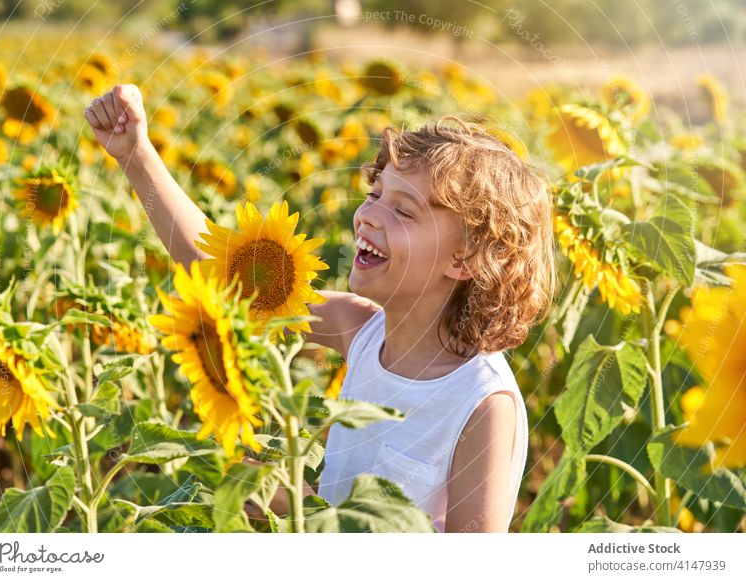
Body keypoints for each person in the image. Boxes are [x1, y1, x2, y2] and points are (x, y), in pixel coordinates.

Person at [84, 84, 555, 532]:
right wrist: (136, 156)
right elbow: (221, 273)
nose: (368, 214)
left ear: (467, 257)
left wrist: (306, 510)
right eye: (374, 195)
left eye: (404, 210)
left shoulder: (484, 405)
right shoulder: (359, 330)